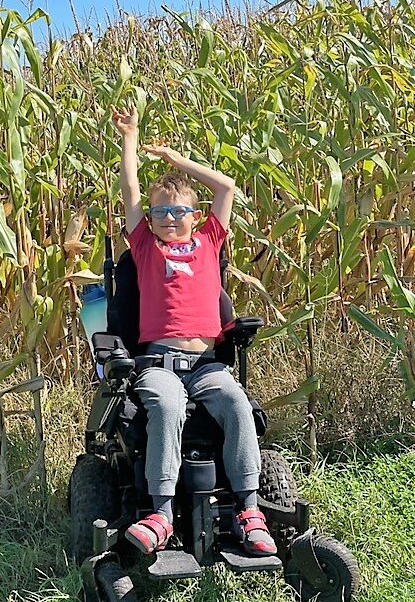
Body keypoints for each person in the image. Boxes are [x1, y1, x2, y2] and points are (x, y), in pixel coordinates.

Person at [111, 104, 276, 558]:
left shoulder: (209, 242)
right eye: (160, 210)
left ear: (193, 214)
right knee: (165, 406)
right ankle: (161, 514)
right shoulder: (145, 246)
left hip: (206, 364)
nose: (168, 217)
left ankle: (249, 509)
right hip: (159, 361)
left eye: (177, 210)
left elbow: (227, 186)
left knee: (238, 405)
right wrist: (131, 138)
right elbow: (129, 191)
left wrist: (177, 162)